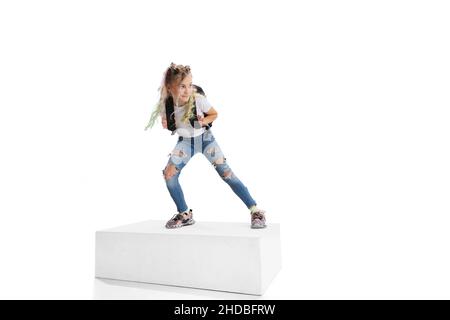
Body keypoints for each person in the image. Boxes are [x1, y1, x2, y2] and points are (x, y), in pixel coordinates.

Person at [145, 62, 266, 229]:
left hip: (206, 139)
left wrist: (204, 121)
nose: (188, 90)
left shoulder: (198, 100)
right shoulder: (166, 105)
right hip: (186, 142)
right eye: (182, 86)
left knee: (226, 174)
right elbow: (168, 121)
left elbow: (214, 114)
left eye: (189, 85)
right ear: (170, 87)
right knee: (169, 175)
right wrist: (166, 122)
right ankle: (184, 214)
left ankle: (255, 210)